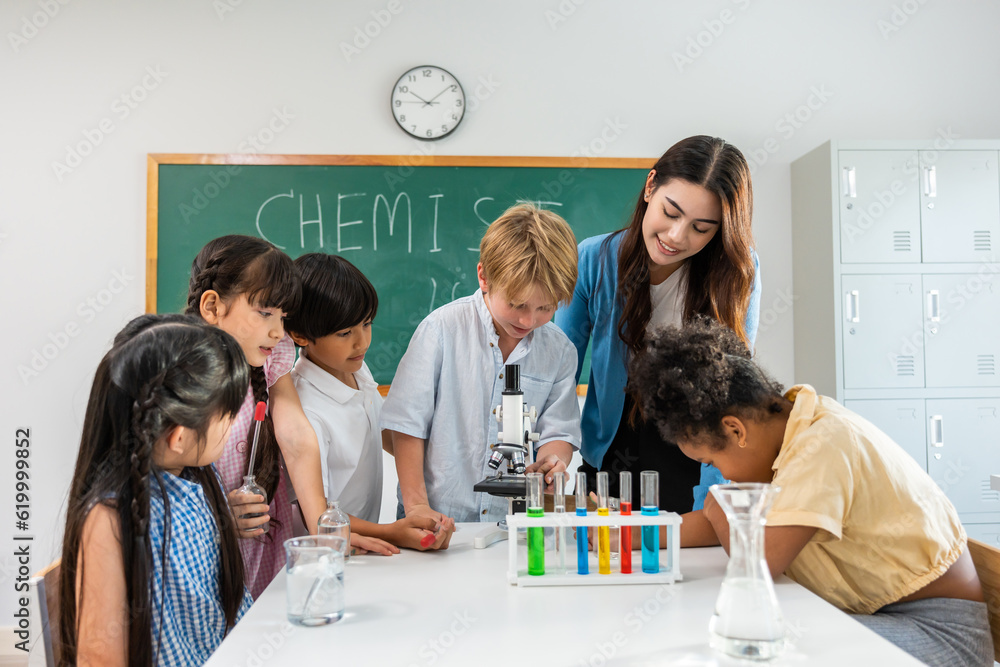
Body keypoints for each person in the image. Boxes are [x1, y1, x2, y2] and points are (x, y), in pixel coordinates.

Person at [629, 317, 993, 667]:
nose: (715, 473)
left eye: (711, 460)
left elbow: (761, 562)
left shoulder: (822, 443)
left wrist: (720, 509)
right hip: (881, 615)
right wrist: (629, 535)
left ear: (737, 431)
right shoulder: (788, 437)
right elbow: (718, 526)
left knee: (751, 647)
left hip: (939, 634)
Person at [554, 135, 761, 522]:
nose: (676, 237)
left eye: (702, 228)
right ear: (651, 187)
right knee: (609, 561)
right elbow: (559, 372)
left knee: (689, 568)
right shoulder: (595, 259)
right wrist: (552, 453)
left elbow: (737, 382)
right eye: (671, 212)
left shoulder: (736, 271)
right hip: (612, 450)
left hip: (698, 449)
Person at [186, 235, 393, 598]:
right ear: (212, 306)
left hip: (265, 548)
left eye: (282, 316)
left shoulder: (272, 356)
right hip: (209, 555)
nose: (278, 331)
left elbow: (296, 436)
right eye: (265, 313)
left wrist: (321, 526)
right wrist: (217, 515)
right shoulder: (180, 375)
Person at [59, 314, 252, 666]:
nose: (234, 423)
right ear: (179, 437)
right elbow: (98, 658)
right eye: (228, 413)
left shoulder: (199, 479)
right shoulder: (109, 520)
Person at [382, 203, 582, 531]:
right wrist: (417, 505)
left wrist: (552, 463)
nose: (528, 320)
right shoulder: (441, 330)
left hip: (515, 524)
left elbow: (558, 431)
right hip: (440, 521)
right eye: (517, 305)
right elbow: (405, 427)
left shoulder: (558, 350)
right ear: (484, 277)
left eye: (545, 307)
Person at [285, 252, 446, 550]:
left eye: (367, 324)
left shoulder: (355, 367)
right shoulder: (304, 410)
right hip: (326, 552)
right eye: (345, 333)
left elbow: (380, 431)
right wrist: (392, 530)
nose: (362, 342)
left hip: (365, 546)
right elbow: (319, 518)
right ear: (300, 334)